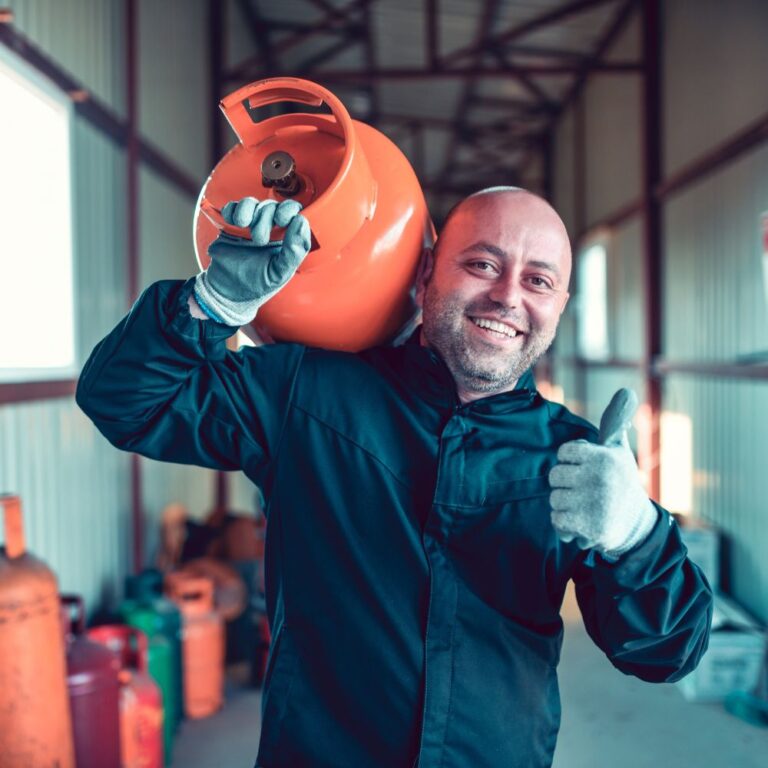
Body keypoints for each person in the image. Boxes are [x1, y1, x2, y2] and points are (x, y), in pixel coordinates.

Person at [77, 187, 712, 768]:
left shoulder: (580, 463)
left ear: (559, 306)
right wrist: (211, 303)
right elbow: (124, 403)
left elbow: (664, 653)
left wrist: (637, 537)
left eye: (538, 280)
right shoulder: (306, 391)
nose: (508, 296)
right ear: (427, 271)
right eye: (483, 264)